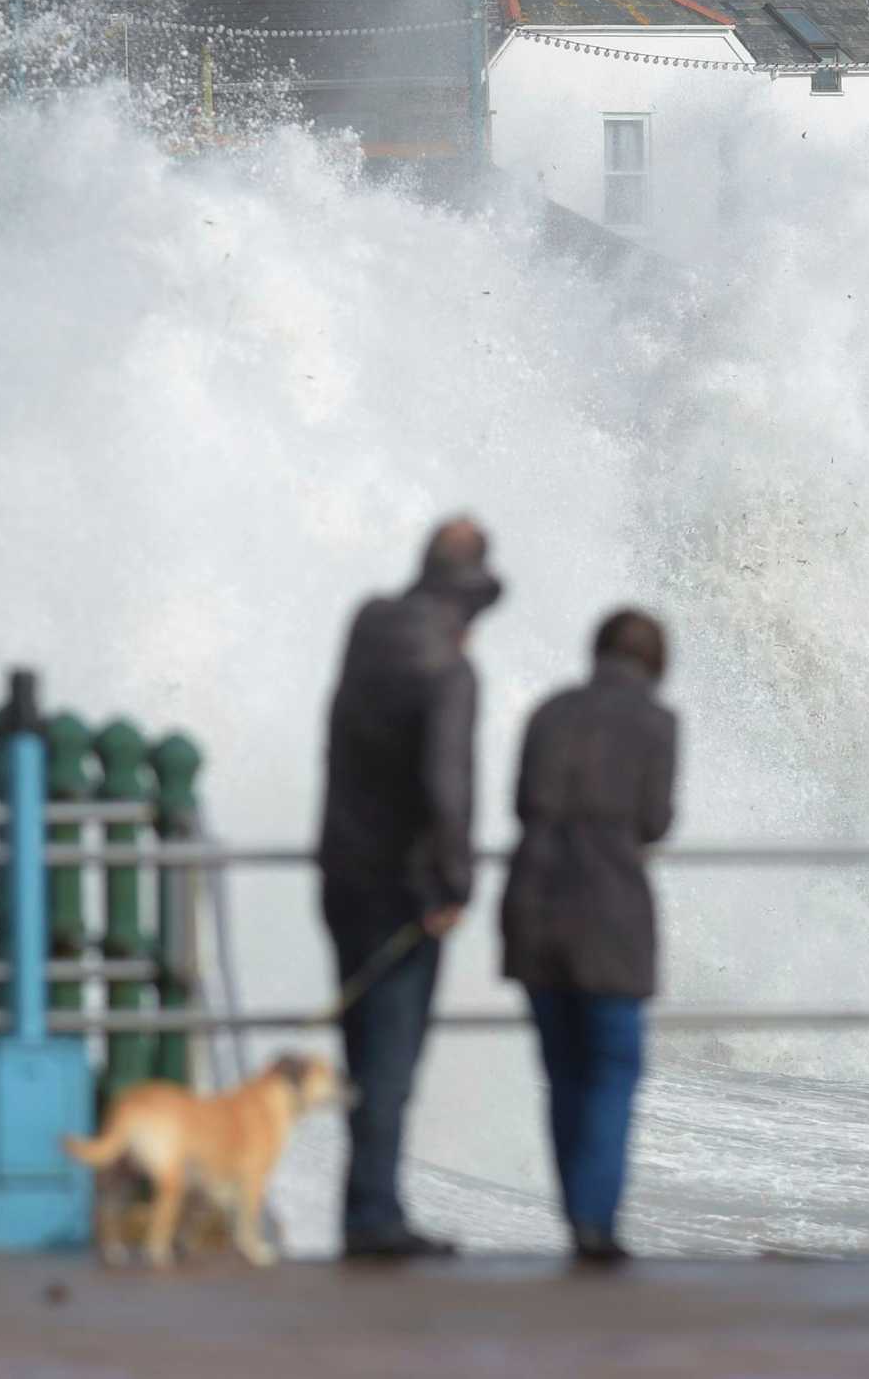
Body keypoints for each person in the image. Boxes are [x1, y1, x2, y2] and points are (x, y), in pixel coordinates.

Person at [316, 516, 502, 1261]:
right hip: (405, 887)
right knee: (391, 1058)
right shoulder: (450, 671)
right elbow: (446, 780)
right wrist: (455, 879)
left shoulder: (368, 624)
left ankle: (366, 1204)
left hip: (341, 870)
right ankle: (373, 1216)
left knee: (361, 1049)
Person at [500, 607, 679, 1265]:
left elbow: (521, 803)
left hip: (534, 907)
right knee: (613, 1068)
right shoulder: (657, 724)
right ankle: (593, 1224)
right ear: (656, 665)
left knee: (563, 1071)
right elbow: (655, 821)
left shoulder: (549, 712)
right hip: (610, 917)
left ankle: (578, 1213)